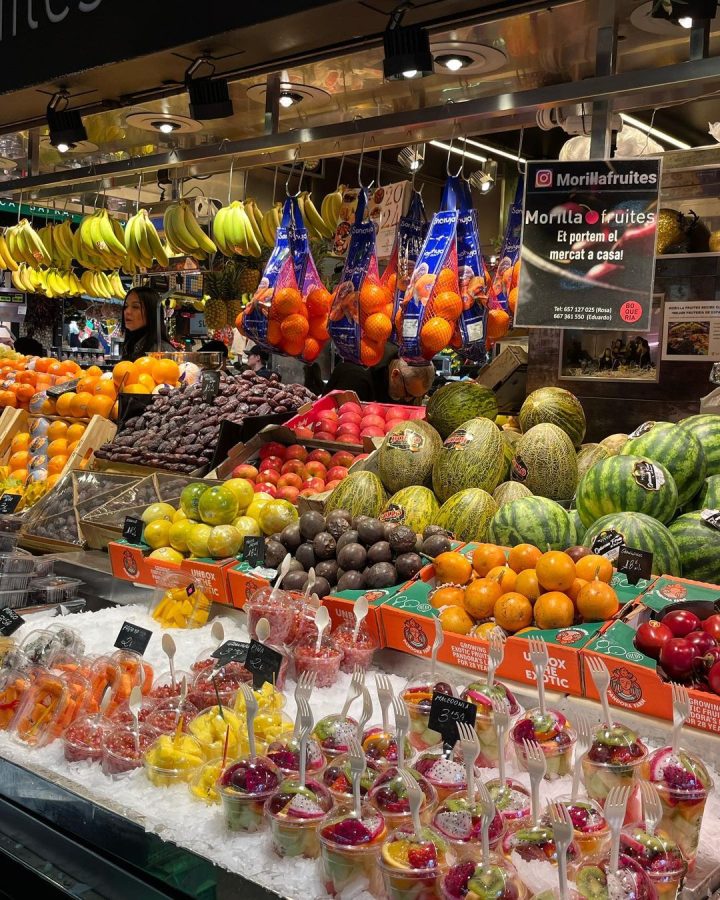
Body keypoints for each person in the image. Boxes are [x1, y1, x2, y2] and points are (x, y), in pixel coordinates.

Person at [323, 344, 436, 403]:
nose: (407, 400)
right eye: (408, 394)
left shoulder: (407, 382)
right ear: (395, 375)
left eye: (417, 397)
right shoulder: (357, 378)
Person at [120, 286, 174, 361]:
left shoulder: (161, 350)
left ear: (151, 312)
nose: (127, 311)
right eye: (126, 306)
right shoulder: (129, 345)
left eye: (135, 307)